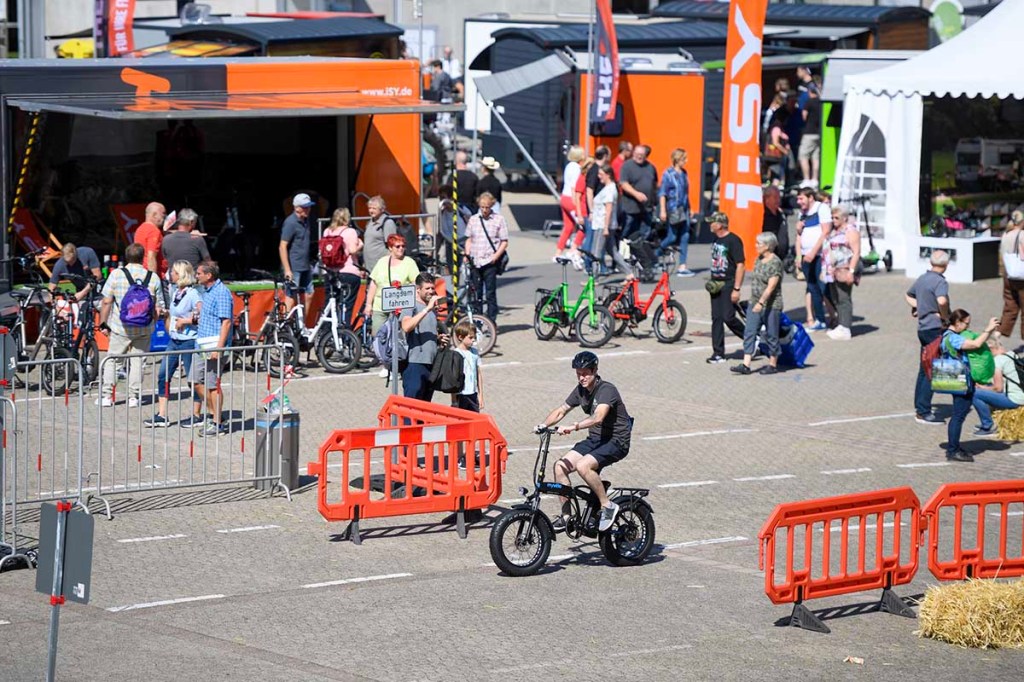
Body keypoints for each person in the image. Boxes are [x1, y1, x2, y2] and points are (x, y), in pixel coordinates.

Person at [536, 351, 632, 533]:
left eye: (586, 373)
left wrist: (574, 427)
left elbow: (599, 417)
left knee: (583, 466)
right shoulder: (580, 390)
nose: (582, 378)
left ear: (595, 370)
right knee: (559, 466)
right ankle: (567, 517)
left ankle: (607, 505)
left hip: (616, 441)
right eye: (579, 374)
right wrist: (542, 425)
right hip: (596, 439)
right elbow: (561, 411)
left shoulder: (606, 390)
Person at [97, 243, 163, 407]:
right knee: (138, 362)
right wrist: (153, 322)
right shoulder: (153, 277)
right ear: (143, 258)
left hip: (121, 327)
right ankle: (134, 397)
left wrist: (103, 323)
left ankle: (107, 396)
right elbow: (158, 307)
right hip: (144, 328)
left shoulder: (117, 275)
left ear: (126, 257)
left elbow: (106, 301)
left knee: (113, 360)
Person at [144, 261, 201, 428]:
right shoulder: (176, 291)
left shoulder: (193, 294)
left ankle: (197, 415)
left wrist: (187, 320)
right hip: (174, 341)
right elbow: (174, 313)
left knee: (193, 379)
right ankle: (162, 415)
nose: (170, 275)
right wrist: (165, 314)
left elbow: (201, 314)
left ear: (181, 274)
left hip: (189, 341)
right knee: (163, 375)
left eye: (174, 273)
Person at [940, 310, 999, 462]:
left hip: (956, 376)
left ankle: (955, 447)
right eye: (966, 324)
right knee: (958, 416)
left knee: (959, 414)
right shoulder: (952, 338)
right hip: (959, 377)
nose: (967, 327)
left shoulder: (950, 335)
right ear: (958, 323)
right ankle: (953, 451)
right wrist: (989, 329)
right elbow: (975, 344)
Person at [906, 249, 952, 425]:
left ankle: (920, 406)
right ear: (946, 265)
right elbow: (942, 301)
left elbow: (908, 295)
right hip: (935, 328)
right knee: (930, 370)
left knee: (923, 368)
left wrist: (921, 307)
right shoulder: (940, 282)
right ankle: (923, 411)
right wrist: (945, 316)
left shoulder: (923, 278)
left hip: (923, 328)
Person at [189, 260, 234, 437]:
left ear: (209, 275)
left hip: (213, 346)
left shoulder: (221, 293)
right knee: (195, 381)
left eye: (199, 273)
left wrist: (219, 348)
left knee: (213, 385)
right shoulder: (206, 292)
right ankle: (215, 414)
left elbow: (226, 322)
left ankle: (217, 423)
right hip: (201, 345)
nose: (196, 275)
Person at [732, 232, 783, 375]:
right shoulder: (758, 259)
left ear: (767, 246)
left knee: (772, 334)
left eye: (758, 244)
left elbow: (772, 286)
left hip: (771, 305)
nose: (756, 246)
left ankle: (773, 364)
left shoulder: (775, 262)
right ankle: (746, 364)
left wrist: (761, 302)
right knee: (750, 332)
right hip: (754, 302)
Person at [399, 273, 448, 401]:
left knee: (425, 409)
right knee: (412, 407)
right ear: (418, 289)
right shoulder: (411, 305)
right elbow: (406, 326)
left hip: (430, 364)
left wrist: (437, 339)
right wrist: (426, 310)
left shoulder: (431, 308)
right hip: (414, 363)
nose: (431, 291)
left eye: (432, 288)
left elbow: (425, 330)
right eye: (427, 288)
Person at [706, 212, 746, 364]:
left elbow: (741, 265)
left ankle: (750, 338)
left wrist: (736, 288)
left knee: (728, 317)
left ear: (720, 225)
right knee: (716, 318)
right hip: (715, 283)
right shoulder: (716, 239)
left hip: (728, 283)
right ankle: (718, 353)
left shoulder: (733, 240)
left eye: (712, 222)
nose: (710, 224)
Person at [464, 192, 509, 323]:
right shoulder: (473, 219)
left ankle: (491, 322)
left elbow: (504, 241)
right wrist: (467, 254)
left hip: (490, 262)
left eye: (487, 207)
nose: (484, 210)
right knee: (476, 294)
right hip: (475, 262)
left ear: (492, 206)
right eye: (482, 207)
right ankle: (477, 322)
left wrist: (496, 256)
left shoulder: (498, 220)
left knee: (490, 294)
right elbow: (469, 239)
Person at [364, 234, 420, 333]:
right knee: (378, 337)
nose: (401, 248)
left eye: (403, 246)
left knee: (399, 337)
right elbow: (373, 284)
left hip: (400, 307)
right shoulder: (382, 262)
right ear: (390, 248)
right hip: (380, 306)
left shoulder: (409, 263)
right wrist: (368, 305)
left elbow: (416, 283)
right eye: (397, 246)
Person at [795, 187, 831, 331]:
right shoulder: (801, 213)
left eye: (801, 198)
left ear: (810, 198)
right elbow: (799, 236)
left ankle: (836, 315)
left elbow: (826, 232)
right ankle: (820, 320)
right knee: (812, 287)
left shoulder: (821, 208)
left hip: (819, 255)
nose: (799, 202)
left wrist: (813, 252)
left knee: (824, 287)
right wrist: (799, 255)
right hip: (805, 256)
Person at [972, 336, 1024, 435]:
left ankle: (987, 425)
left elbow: (998, 388)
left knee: (975, 393)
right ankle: (991, 420)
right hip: (1021, 394)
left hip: (1014, 399)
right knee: (985, 389)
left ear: (990, 349)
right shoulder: (1012, 355)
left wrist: (983, 388)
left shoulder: (998, 361)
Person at [823, 205, 861, 341]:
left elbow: (856, 253)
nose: (834, 220)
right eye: (832, 217)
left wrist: (851, 271)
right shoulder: (834, 231)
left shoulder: (851, 231)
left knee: (844, 297)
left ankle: (845, 328)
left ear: (844, 218)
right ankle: (840, 323)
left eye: (836, 218)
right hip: (834, 269)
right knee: (835, 297)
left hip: (845, 268)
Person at [321, 208, 364, 323]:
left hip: (330, 272)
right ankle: (343, 334)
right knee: (346, 305)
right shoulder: (350, 232)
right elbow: (353, 250)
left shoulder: (327, 231)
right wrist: (360, 244)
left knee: (329, 304)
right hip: (348, 272)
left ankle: (326, 334)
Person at [657, 148, 694, 277]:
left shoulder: (684, 173)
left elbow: (686, 192)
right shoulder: (668, 174)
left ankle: (682, 266)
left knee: (685, 235)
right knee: (672, 237)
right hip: (673, 209)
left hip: (684, 209)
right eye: (684, 159)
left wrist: (690, 207)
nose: (686, 161)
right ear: (677, 160)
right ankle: (655, 256)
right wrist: (663, 210)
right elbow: (662, 193)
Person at [279, 192, 315, 312]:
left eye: (309, 207)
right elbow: (282, 246)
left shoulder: (306, 221)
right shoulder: (290, 223)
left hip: (305, 265)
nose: (308, 209)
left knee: (309, 293)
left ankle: (302, 325)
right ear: (297, 208)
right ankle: (283, 326)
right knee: (291, 296)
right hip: (294, 266)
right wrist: (287, 269)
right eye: (305, 207)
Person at [619, 144, 658, 241]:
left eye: (641, 154)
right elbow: (623, 184)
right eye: (637, 154)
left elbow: (654, 184)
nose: (639, 156)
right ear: (633, 153)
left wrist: (654, 201)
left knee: (645, 233)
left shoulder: (651, 167)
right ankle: (624, 253)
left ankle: (640, 253)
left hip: (646, 208)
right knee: (627, 232)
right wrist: (636, 194)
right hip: (631, 208)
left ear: (646, 155)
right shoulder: (627, 166)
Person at [555, 145, 586, 262]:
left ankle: (558, 251)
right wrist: (576, 203)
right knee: (583, 226)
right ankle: (574, 249)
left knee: (568, 226)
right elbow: (574, 187)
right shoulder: (577, 168)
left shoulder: (568, 166)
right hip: (571, 199)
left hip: (564, 197)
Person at [998, 210, 1024, 337]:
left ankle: (998, 335)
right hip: (1022, 277)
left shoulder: (1006, 235)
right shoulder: (1022, 235)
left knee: (1010, 307)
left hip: (1008, 275)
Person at [160, 208, 210, 272]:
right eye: (195, 222)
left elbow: (164, 259)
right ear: (191, 222)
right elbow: (207, 262)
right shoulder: (197, 239)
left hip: (174, 278)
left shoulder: (166, 239)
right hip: (193, 279)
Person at [451, 319, 483, 413]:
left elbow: (479, 374)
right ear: (460, 337)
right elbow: (453, 379)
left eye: (474, 337)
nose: (473, 340)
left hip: (473, 393)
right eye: (470, 337)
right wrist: (454, 401)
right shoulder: (456, 354)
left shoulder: (474, 352)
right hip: (461, 394)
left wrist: (480, 396)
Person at [361, 195, 399, 274]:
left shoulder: (388, 223)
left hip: (382, 267)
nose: (371, 211)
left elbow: (392, 246)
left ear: (382, 209)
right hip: (370, 267)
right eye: (369, 208)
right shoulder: (370, 222)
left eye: (374, 208)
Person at [133, 201, 167, 277]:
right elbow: (151, 256)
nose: (164, 217)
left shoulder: (140, 229)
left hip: (140, 273)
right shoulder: (154, 231)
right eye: (163, 214)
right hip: (153, 274)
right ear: (154, 215)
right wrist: (153, 279)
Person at [798, 87, 822, 189]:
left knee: (803, 156)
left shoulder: (809, 102)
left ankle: (806, 179)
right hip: (818, 133)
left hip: (809, 132)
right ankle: (815, 179)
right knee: (815, 157)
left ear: (809, 92)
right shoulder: (821, 102)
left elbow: (804, 115)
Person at [761, 185, 790, 260]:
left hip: (781, 259)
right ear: (766, 199)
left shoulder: (781, 214)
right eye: (775, 197)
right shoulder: (763, 216)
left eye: (779, 197)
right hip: (768, 259)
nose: (778, 200)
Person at [454, 151, 478, 216]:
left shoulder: (453, 177)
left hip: (456, 212)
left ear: (456, 161)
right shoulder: (473, 177)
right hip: (471, 211)